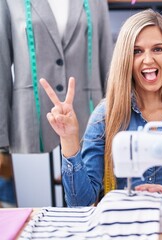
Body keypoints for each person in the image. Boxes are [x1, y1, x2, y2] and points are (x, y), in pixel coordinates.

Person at [40, 9, 162, 207]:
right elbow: (80, 204)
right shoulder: (105, 117)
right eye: (137, 51)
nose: (148, 60)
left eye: (158, 49)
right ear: (125, 59)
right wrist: (68, 139)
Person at [0, 0, 113, 207]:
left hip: (87, 112)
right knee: (33, 210)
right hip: (32, 116)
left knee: (85, 201)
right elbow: (2, 64)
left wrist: (116, 117)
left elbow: (107, 57)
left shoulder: (96, 2)